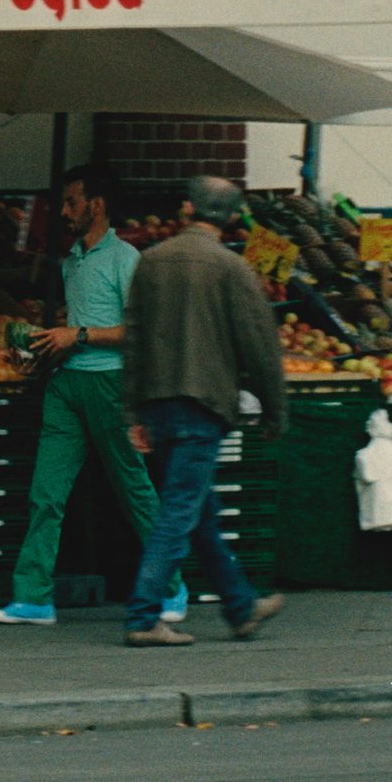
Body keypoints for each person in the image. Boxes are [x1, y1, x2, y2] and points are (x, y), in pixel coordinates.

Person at [0, 170, 157, 627]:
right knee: (46, 493)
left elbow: (138, 330)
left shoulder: (126, 258)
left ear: (96, 205)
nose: (63, 212)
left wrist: (75, 334)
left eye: (72, 203)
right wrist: (36, 354)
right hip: (66, 384)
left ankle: (170, 586)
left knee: (133, 489)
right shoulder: (73, 260)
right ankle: (33, 597)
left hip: (109, 384)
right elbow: (73, 328)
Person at [118, 180, 278, 648]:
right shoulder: (233, 267)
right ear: (230, 218)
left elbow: (135, 339)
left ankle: (241, 606)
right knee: (179, 512)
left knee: (199, 510)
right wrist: (274, 412)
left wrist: (134, 413)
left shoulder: (151, 260)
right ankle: (144, 617)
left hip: (159, 402)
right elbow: (260, 348)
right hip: (204, 404)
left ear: (187, 208)